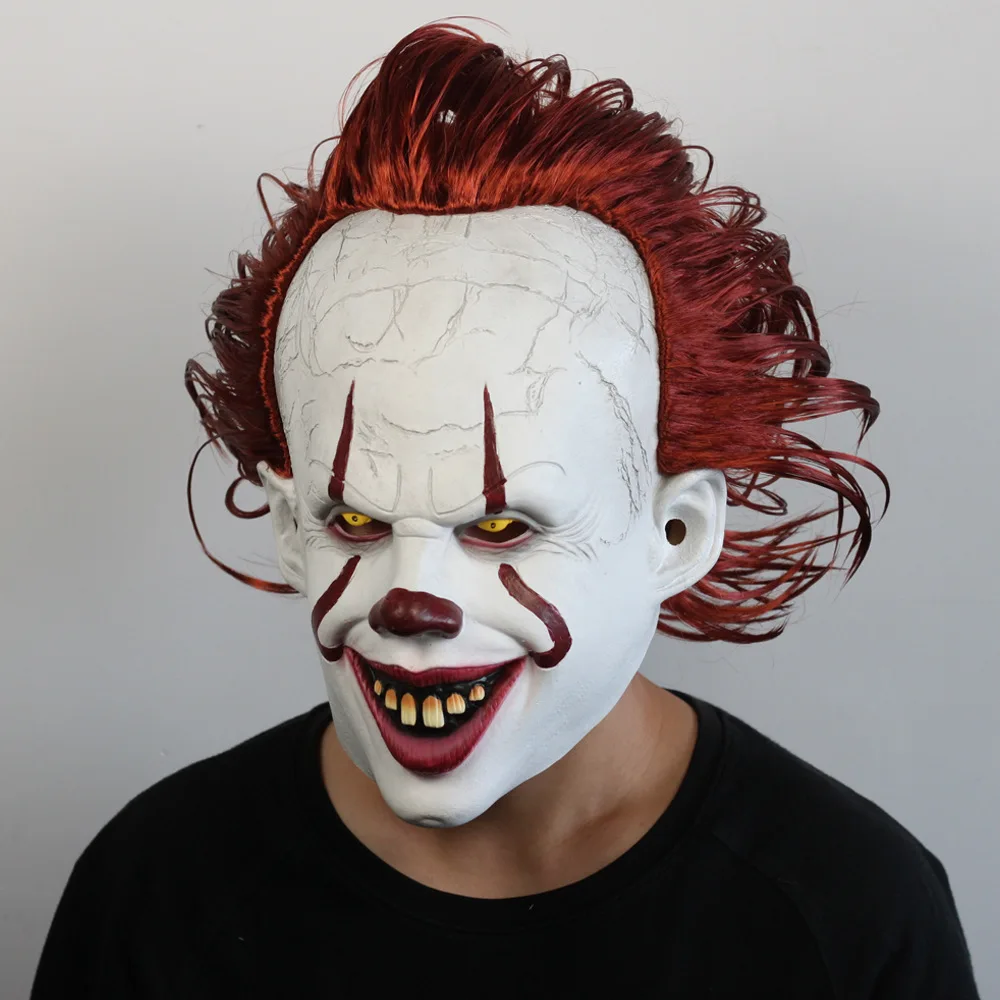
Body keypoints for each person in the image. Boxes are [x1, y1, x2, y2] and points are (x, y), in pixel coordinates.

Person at [32, 22, 980, 998]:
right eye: (354, 523)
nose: (412, 600)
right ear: (288, 527)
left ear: (677, 533)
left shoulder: (846, 917)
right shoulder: (158, 892)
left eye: (499, 528)